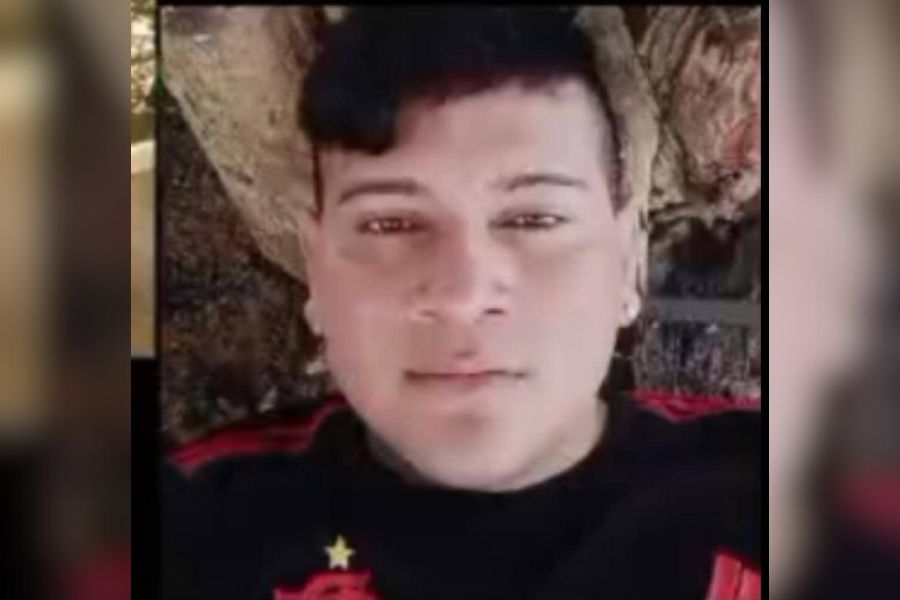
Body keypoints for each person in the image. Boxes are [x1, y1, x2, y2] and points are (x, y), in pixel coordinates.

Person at [162, 8, 760, 599]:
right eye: (390, 223)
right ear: (316, 267)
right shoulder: (188, 528)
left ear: (629, 261)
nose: (463, 296)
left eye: (534, 218)